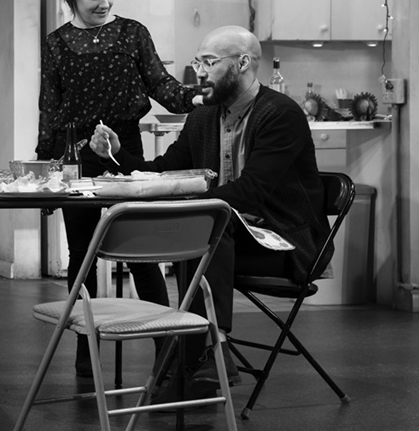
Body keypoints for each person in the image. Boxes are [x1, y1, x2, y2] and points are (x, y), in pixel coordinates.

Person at [89, 25, 331, 402]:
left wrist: (190, 208)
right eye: (198, 62)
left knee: (210, 221)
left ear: (243, 63)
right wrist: (116, 156)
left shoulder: (281, 114)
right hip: (224, 237)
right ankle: (207, 354)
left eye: (209, 62)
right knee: (207, 225)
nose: (200, 72)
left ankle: (200, 353)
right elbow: (166, 171)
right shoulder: (203, 116)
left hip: (284, 242)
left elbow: (250, 193)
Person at [36, 0, 201, 376]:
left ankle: (167, 350)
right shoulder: (55, 43)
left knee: (141, 251)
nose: (105, 3)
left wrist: (197, 97)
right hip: (76, 157)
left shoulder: (133, 33)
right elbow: (49, 109)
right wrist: (46, 170)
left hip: (123, 150)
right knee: (82, 256)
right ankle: (85, 349)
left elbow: (162, 85)